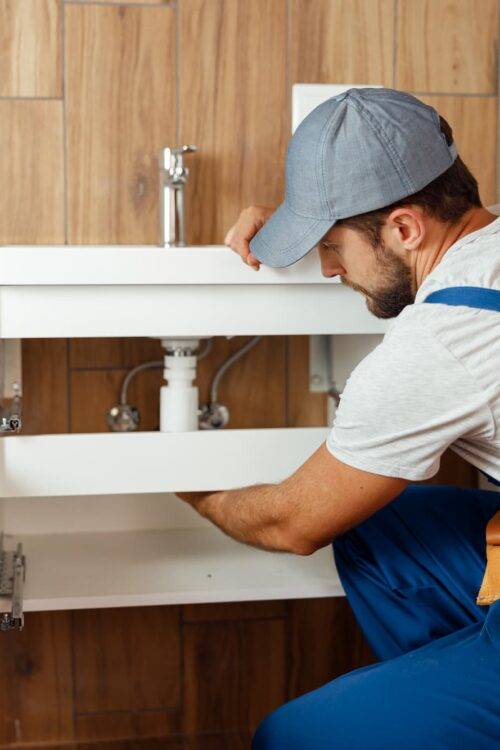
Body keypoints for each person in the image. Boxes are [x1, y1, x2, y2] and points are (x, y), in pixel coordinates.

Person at [177, 88, 500, 748]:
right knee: (380, 527)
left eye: (330, 245)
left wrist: (194, 491)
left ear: (405, 228)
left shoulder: (443, 339)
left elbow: (292, 522)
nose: (327, 268)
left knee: (293, 738)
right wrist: (298, 226)